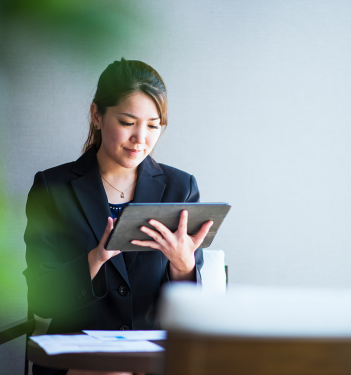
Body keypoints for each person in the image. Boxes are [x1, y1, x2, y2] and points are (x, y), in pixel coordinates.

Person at [23, 58, 213, 375]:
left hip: (154, 356)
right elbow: (42, 298)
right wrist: (95, 259)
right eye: (128, 122)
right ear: (97, 115)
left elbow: (188, 309)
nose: (141, 138)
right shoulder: (52, 188)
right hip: (79, 353)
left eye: (153, 126)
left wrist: (184, 265)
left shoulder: (180, 187)